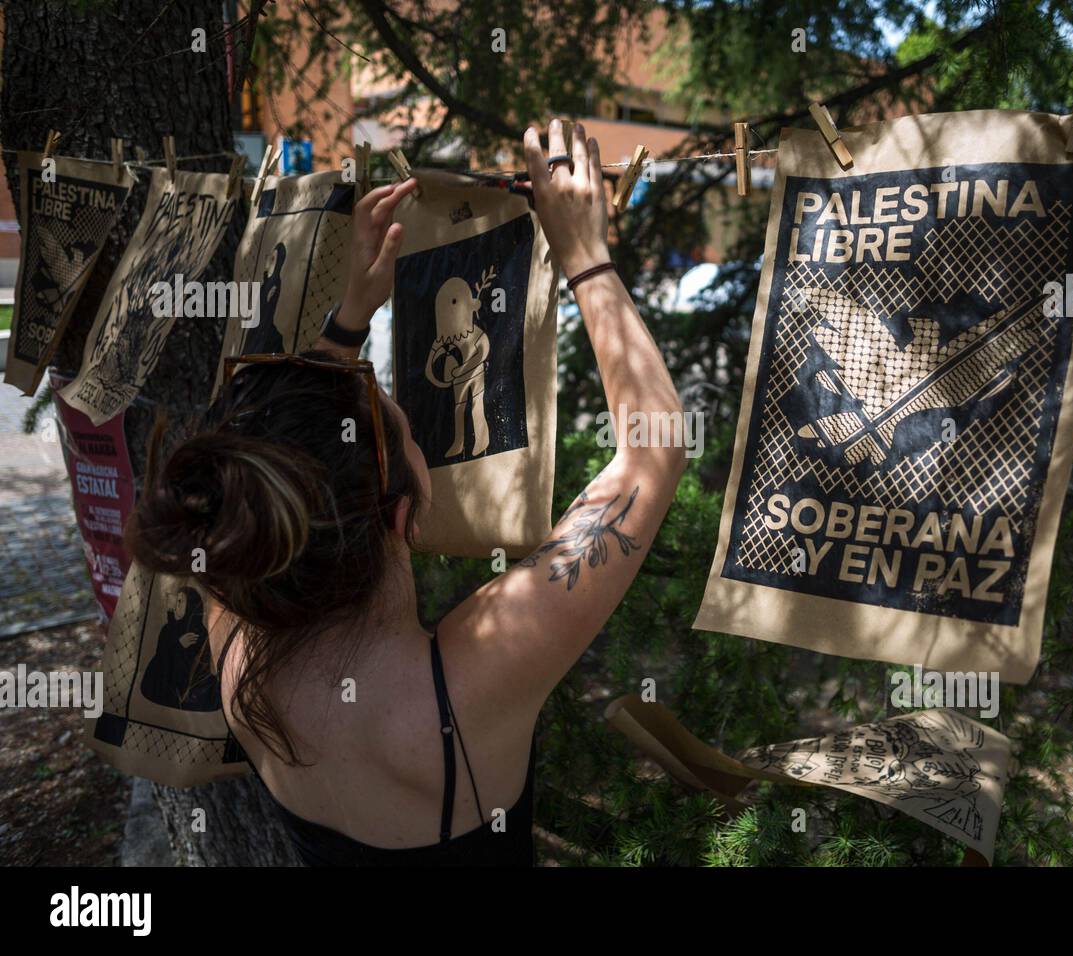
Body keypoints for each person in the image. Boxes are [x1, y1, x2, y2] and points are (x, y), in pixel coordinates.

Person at [125, 120, 686, 866]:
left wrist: (347, 324)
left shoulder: (237, 625)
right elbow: (653, 452)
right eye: (408, 434)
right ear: (400, 514)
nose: (415, 431)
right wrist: (584, 252)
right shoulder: (467, 683)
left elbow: (288, 465)